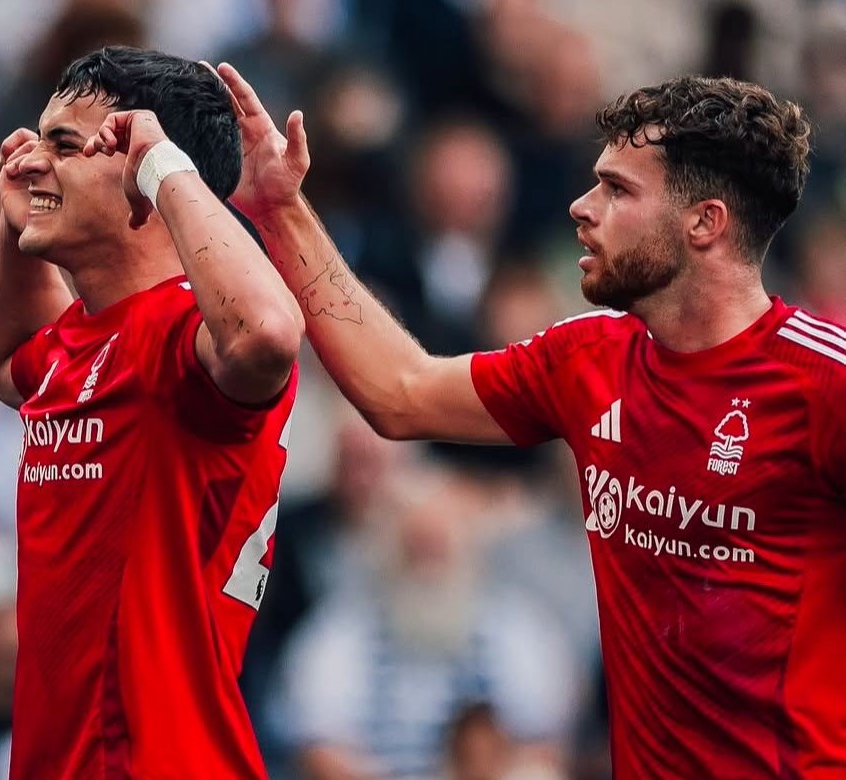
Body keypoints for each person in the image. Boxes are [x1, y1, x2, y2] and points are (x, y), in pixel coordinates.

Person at [214, 63, 846, 777]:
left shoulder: (824, 384)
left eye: (616, 189)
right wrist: (280, 209)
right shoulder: (588, 360)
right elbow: (399, 390)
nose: (581, 206)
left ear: (704, 223)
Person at [0, 47, 302, 778]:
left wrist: (163, 162)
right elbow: (11, 365)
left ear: (142, 176)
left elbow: (270, 332)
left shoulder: (187, 335)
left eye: (63, 144)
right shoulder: (77, 341)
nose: (34, 160)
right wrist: (20, 221)